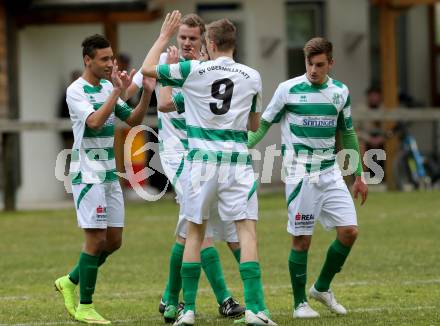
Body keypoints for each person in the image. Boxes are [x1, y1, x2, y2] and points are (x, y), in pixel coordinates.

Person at [142, 11, 277, 326]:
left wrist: (163, 37)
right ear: (233, 43)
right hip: (237, 163)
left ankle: (187, 310)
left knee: (194, 232)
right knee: (246, 232)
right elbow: (254, 125)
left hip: (201, 162)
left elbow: (148, 70)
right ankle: (257, 309)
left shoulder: (194, 70)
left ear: (210, 43)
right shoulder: (253, 76)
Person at [248, 37, 368, 319]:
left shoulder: (340, 92)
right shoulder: (287, 90)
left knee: (349, 231)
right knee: (302, 240)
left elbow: (347, 133)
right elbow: (264, 124)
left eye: (320, 65)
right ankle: (300, 303)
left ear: (330, 64)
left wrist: (359, 175)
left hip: (330, 172)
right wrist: (242, 146)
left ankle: (322, 288)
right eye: (309, 64)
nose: (313, 70)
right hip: (301, 174)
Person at [54, 34, 155, 324]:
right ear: (88, 60)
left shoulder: (109, 87)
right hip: (88, 175)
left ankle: (69, 281)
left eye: (111, 58)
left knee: (114, 241)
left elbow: (133, 121)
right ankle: (85, 305)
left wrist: (145, 92)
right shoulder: (76, 91)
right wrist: (116, 92)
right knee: (96, 239)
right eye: (105, 59)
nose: (111, 63)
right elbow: (96, 121)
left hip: (110, 172)